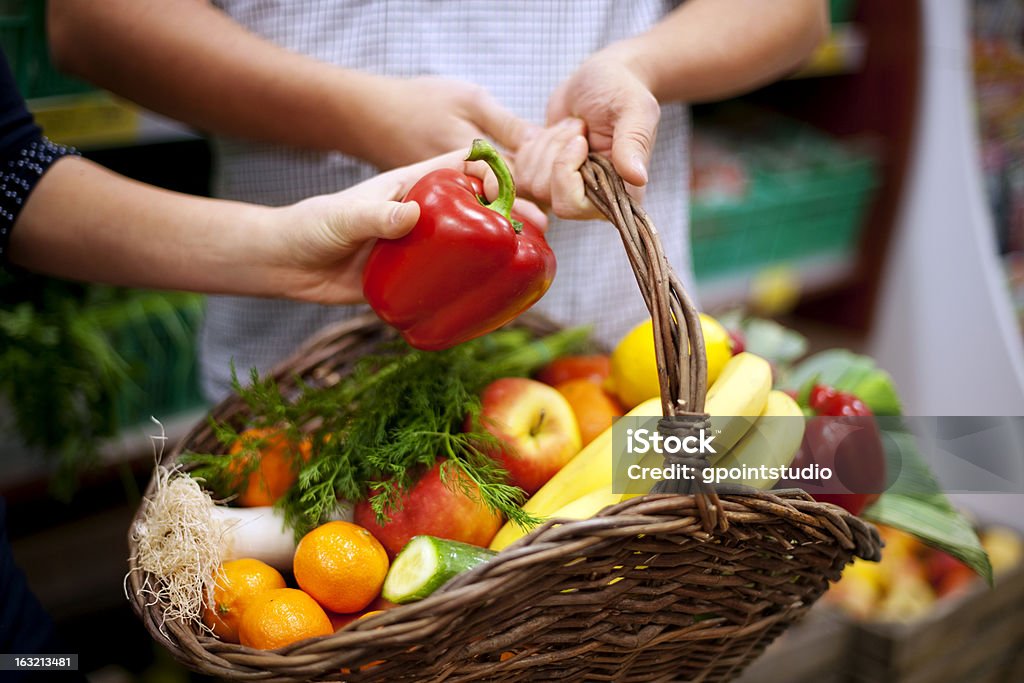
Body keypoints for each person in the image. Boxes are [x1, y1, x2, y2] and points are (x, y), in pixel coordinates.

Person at [49, 0, 828, 401]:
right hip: (300, 364)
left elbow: (797, 12)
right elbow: (89, 22)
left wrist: (641, 62)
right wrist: (356, 114)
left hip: (617, 357)